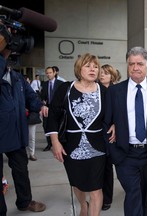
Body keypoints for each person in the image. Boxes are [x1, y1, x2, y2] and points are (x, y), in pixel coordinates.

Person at [104, 46, 147, 216]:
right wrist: (113, 152)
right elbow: (106, 122)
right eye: (131, 64)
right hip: (125, 155)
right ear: (127, 65)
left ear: (146, 65)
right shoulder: (114, 91)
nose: (135, 67)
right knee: (133, 195)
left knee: (146, 198)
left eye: (139, 64)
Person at [46, 53, 115, 216]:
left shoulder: (103, 91)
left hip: (98, 146)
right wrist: (55, 142)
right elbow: (53, 116)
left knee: (96, 188)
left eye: (96, 66)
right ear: (79, 68)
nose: (93, 69)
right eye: (88, 65)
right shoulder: (65, 89)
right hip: (71, 145)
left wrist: (115, 124)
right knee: (77, 184)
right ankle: (83, 205)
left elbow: (113, 113)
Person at [0, 29, 47, 215]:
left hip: (16, 134)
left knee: (21, 171)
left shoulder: (17, 78)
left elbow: (32, 98)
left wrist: (42, 106)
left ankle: (25, 201)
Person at [99, 64, 119, 211]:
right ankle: (100, 196)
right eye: (101, 73)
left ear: (112, 76)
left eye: (105, 73)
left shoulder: (117, 90)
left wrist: (116, 125)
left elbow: (123, 111)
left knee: (109, 166)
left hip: (111, 133)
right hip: (97, 132)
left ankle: (107, 198)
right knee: (100, 166)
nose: (102, 75)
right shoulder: (95, 89)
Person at [41, 67, 64, 151]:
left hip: (57, 107)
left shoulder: (60, 83)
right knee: (46, 125)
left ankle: (59, 142)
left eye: (50, 73)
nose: (48, 74)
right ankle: (49, 144)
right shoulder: (44, 84)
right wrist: (42, 103)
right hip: (47, 107)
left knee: (58, 125)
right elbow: (41, 96)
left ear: (54, 73)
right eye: (47, 73)